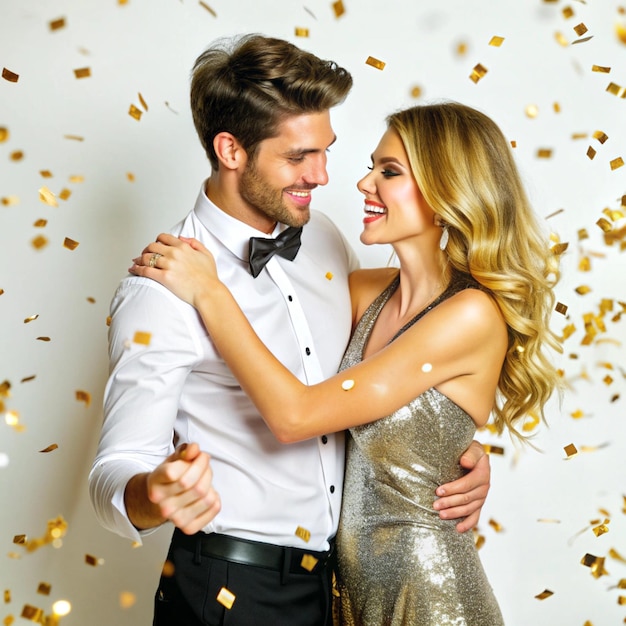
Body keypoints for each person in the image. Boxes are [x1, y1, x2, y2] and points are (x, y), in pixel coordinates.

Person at [89, 34, 492, 626]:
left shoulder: (326, 239)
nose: (325, 175)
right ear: (231, 150)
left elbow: (383, 364)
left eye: (325, 151)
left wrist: (443, 445)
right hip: (229, 587)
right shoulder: (161, 288)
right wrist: (154, 492)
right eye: (299, 157)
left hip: (339, 586)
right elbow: (112, 470)